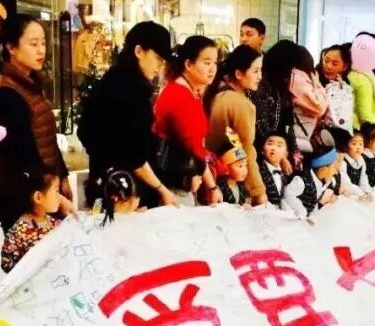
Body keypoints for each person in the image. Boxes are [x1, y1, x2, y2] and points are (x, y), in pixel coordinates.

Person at [78, 21, 178, 208]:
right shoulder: (129, 91)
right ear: (139, 51)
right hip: (127, 194)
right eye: (158, 58)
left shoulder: (112, 80)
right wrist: (161, 189)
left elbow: (84, 131)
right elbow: (135, 156)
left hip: (108, 186)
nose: (160, 66)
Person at [0, 15, 70, 201]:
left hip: (50, 186)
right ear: (11, 47)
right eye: (33, 44)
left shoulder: (33, 83)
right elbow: (23, 155)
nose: (41, 50)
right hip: (32, 194)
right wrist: (49, 192)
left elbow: (48, 138)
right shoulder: (6, 93)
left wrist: (63, 175)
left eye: (43, 43)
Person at [153, 35, 221, 201]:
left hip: (180, 179)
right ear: (189, 64)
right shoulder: (180, 96)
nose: (212, 69)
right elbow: (194, 147)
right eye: (206, 63)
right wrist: (212, 187)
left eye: (215, 63)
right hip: (173, 184)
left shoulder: (188, 90)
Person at [204, 44, 266, 205]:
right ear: (239, 74)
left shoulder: (216, 92)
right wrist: (258, 191)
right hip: (228, 180)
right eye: (255, 71)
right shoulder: (240, 103)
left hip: (209, 175)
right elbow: (245, 150)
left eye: (260, 70)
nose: (260, 76)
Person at [1, 170, 71, 273]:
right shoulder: (18, 233)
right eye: (56, 191)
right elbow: (7, 265)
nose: (59, 198)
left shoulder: (55, 223)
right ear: (38, 197)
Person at [283, 137, 343, 219]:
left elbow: (314, 203)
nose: (336, 172)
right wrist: (301, 211)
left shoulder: (320, 181)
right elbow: (288, 194)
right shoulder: (302, 180)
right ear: (324, 169)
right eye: (334, 167)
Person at [318, 45, 354, 133]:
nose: (328, 66)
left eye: (334, 63)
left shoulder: (346, 86)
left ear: (345, 66)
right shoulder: (316, 80)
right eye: (326, 61)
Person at [258, 134, 292, 209]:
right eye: (270, 144)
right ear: (263, 150)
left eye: (279, 145)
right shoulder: (257, 171)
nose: (273, 148)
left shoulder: (286, 175)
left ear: (286, 154)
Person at [216, 141, 251, 207]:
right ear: (226, 168)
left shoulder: (243, 187)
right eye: (240, 166)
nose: (245, 170)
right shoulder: (219, 189)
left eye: (246, 165)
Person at [339, 131, 371, 198]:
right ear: (346, 146)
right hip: (346, 195)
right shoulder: (343, 162)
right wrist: (361, 194)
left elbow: (363, 178)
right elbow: (346, 183)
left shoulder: (361, 160)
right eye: (354, 144)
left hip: (358, 194)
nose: (358, 147)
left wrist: (367, 191)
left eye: (360, 144)